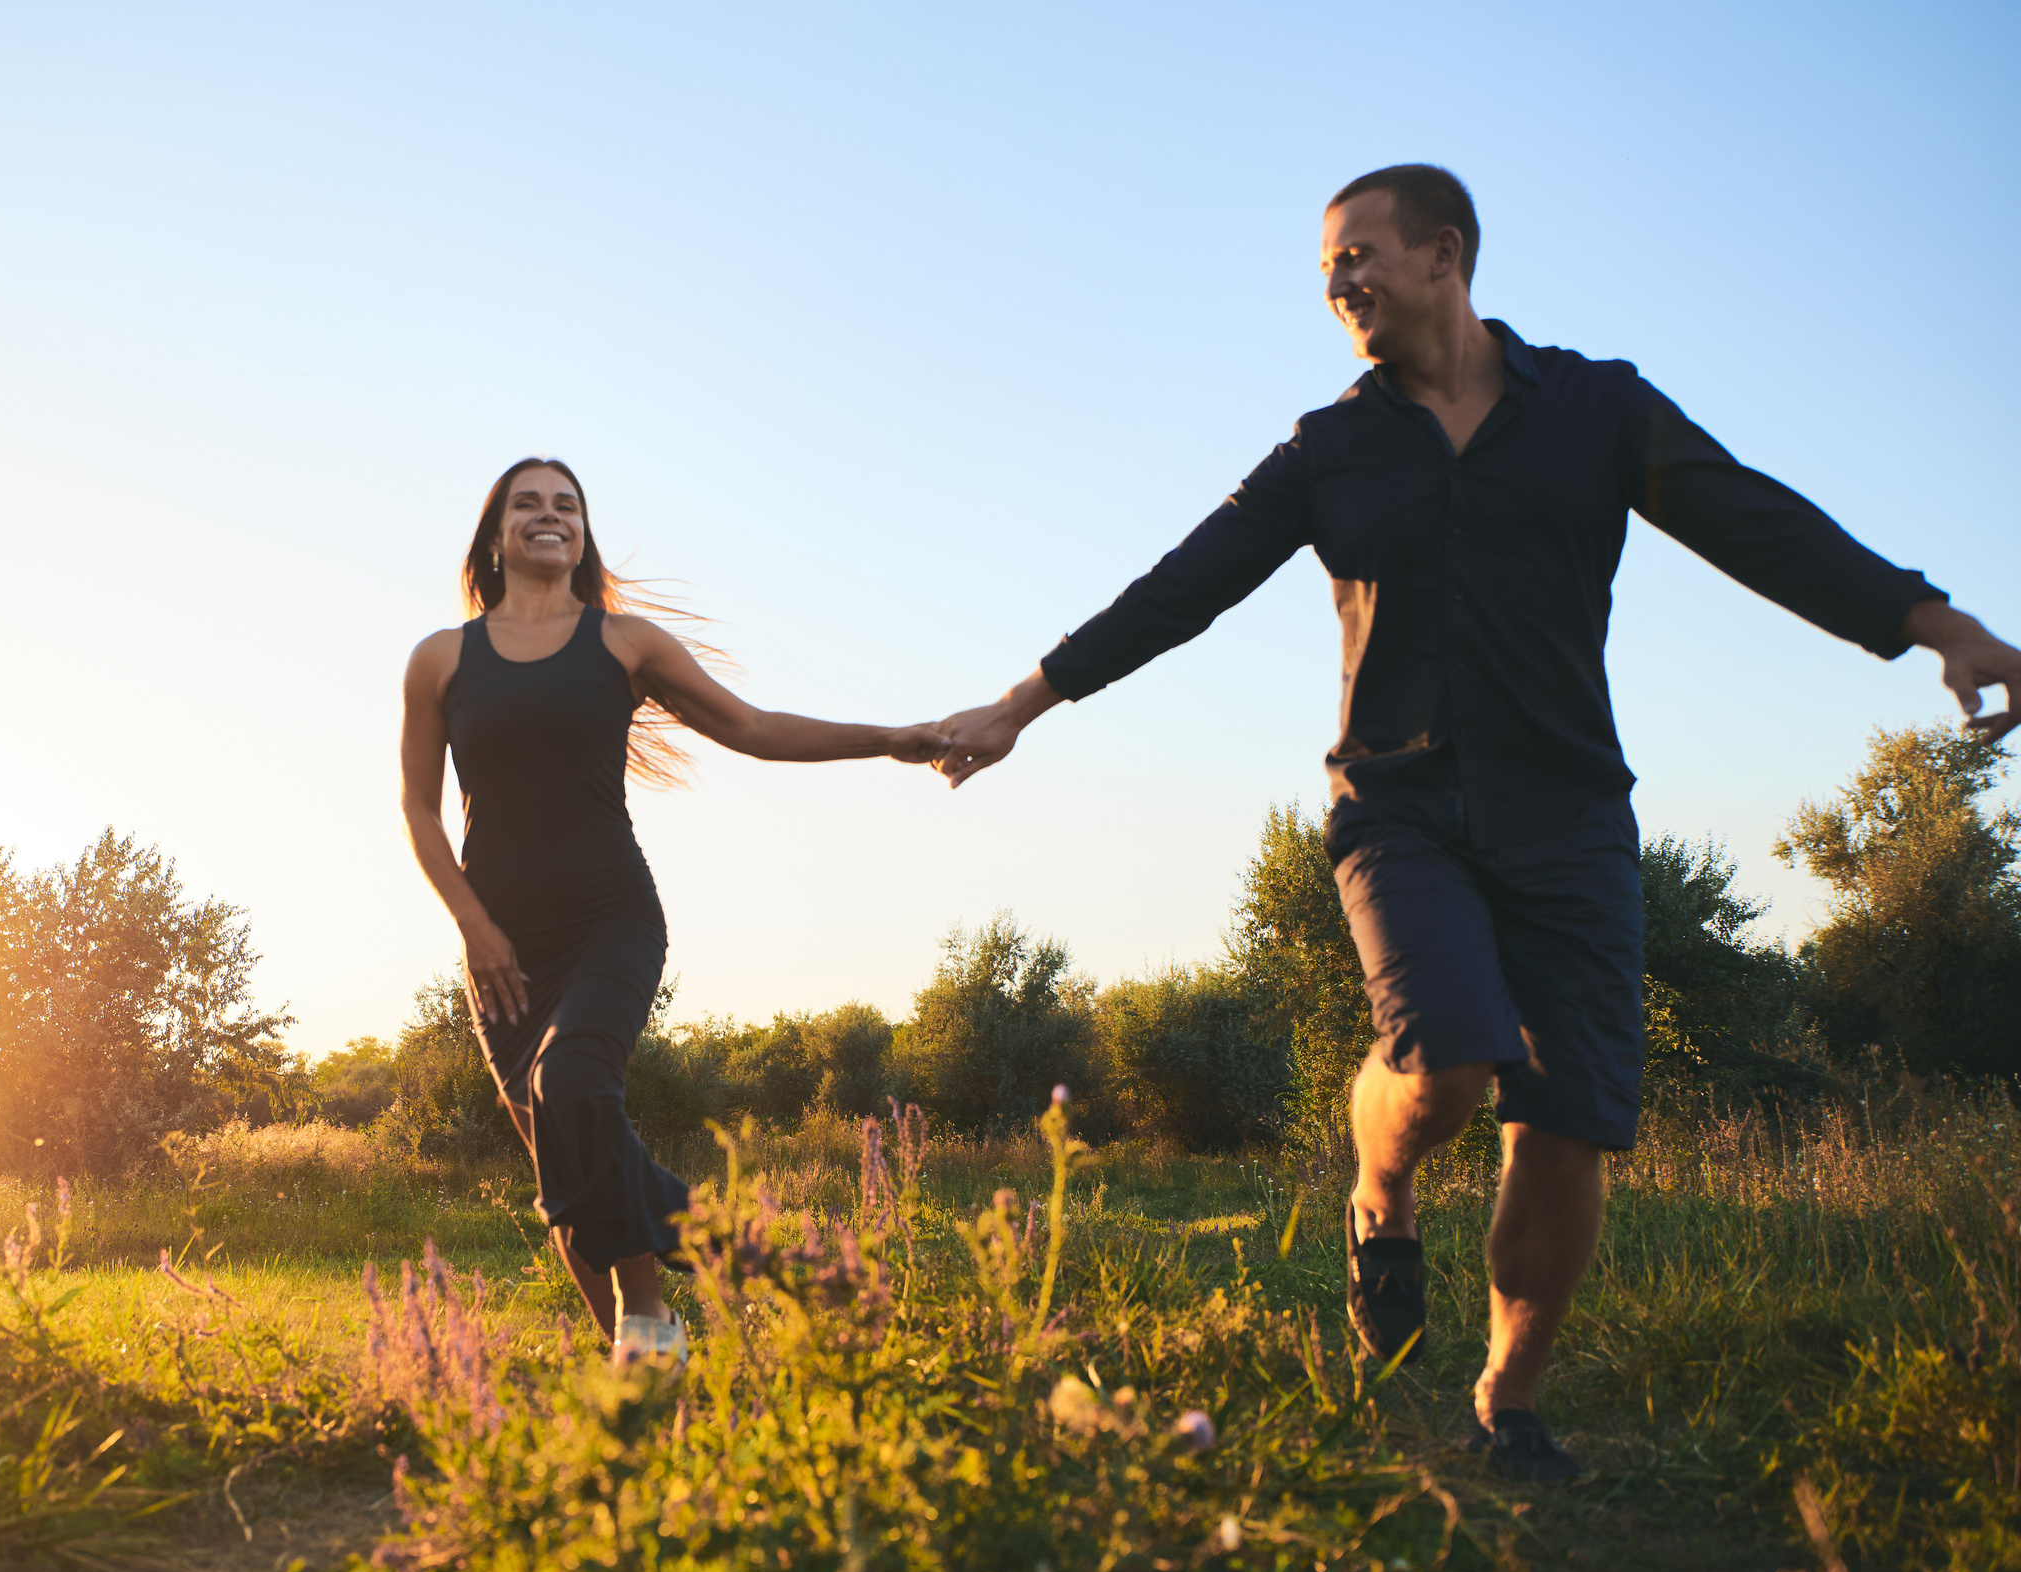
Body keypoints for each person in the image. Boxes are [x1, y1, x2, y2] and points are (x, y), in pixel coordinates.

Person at [931, 165, 2021, 1479]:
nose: (1337, 284)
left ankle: (1509, 1396)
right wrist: (1023, 702)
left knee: (1566, 1124)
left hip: (1570, 812)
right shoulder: (1328, 449)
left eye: (1358, 255)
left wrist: (1937, 625)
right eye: (1325, 268)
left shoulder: (1599, 411)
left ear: (1443, 254)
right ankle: (1377, 1186)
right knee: (1443, 1058)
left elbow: (1757, 523)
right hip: (1399, 807)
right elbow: (1182, 585)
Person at [402, 457, 948, 1366]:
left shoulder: (625, 645)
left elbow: (754, 728)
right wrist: (473, 924)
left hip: (609, 918)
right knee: (564, 1164)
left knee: (573, 1088)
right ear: (495, 535)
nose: (548, 515)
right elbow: (419, 812)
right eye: (526, 504)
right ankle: (645, 1366)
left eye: (567, 505)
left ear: (584, 534)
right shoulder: (441, 659)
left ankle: (708, 1288)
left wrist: (889, 738)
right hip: (499, 945)